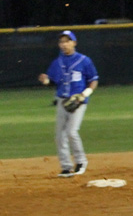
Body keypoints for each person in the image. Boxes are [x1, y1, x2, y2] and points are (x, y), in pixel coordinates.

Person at [38, 30, 99, 178]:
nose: (64, 44)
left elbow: (94, 80)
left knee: (72, 132)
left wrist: (84, 94)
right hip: (62, 100)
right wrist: (46, 80)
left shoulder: (84, 60)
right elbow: (52, 80)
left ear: (74, 43)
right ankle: (66, 167)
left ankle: (81, 161)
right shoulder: (57, 62)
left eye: (67, 41)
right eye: (61, 42)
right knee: (60, 136)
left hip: (78, 101)